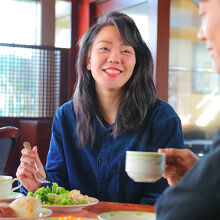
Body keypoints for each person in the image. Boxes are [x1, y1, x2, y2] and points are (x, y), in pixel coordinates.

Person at [16, 11, 184, 205]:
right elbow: (59, 188)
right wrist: (37, 184)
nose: (114, 58)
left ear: (137, 62)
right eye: (104, 48)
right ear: (88, 60)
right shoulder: (66, 117)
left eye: (126, 51)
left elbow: (164, 196)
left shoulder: (162, 118)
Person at [156, 0, 220, 219]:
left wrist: (200, 183)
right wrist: (200, 175)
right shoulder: (67, 114)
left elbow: (178, 210)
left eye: (203, 15)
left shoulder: (163, 115)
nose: (201, 34)